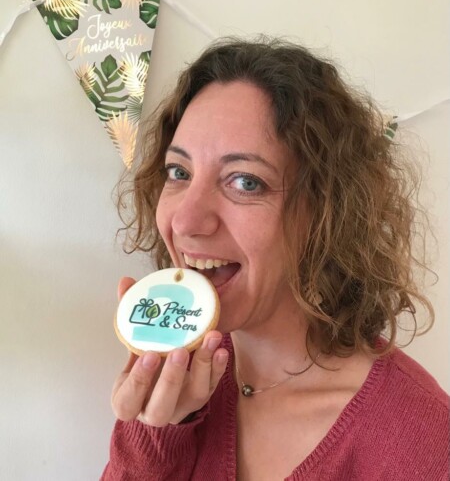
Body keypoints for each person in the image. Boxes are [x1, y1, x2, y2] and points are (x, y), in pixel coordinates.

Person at [101, 37, 448, 480]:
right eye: (179, 172)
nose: (186, 220)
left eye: (245, 182)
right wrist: (160, 430)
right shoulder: (173, 380)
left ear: (326, 212)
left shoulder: (421, 444)